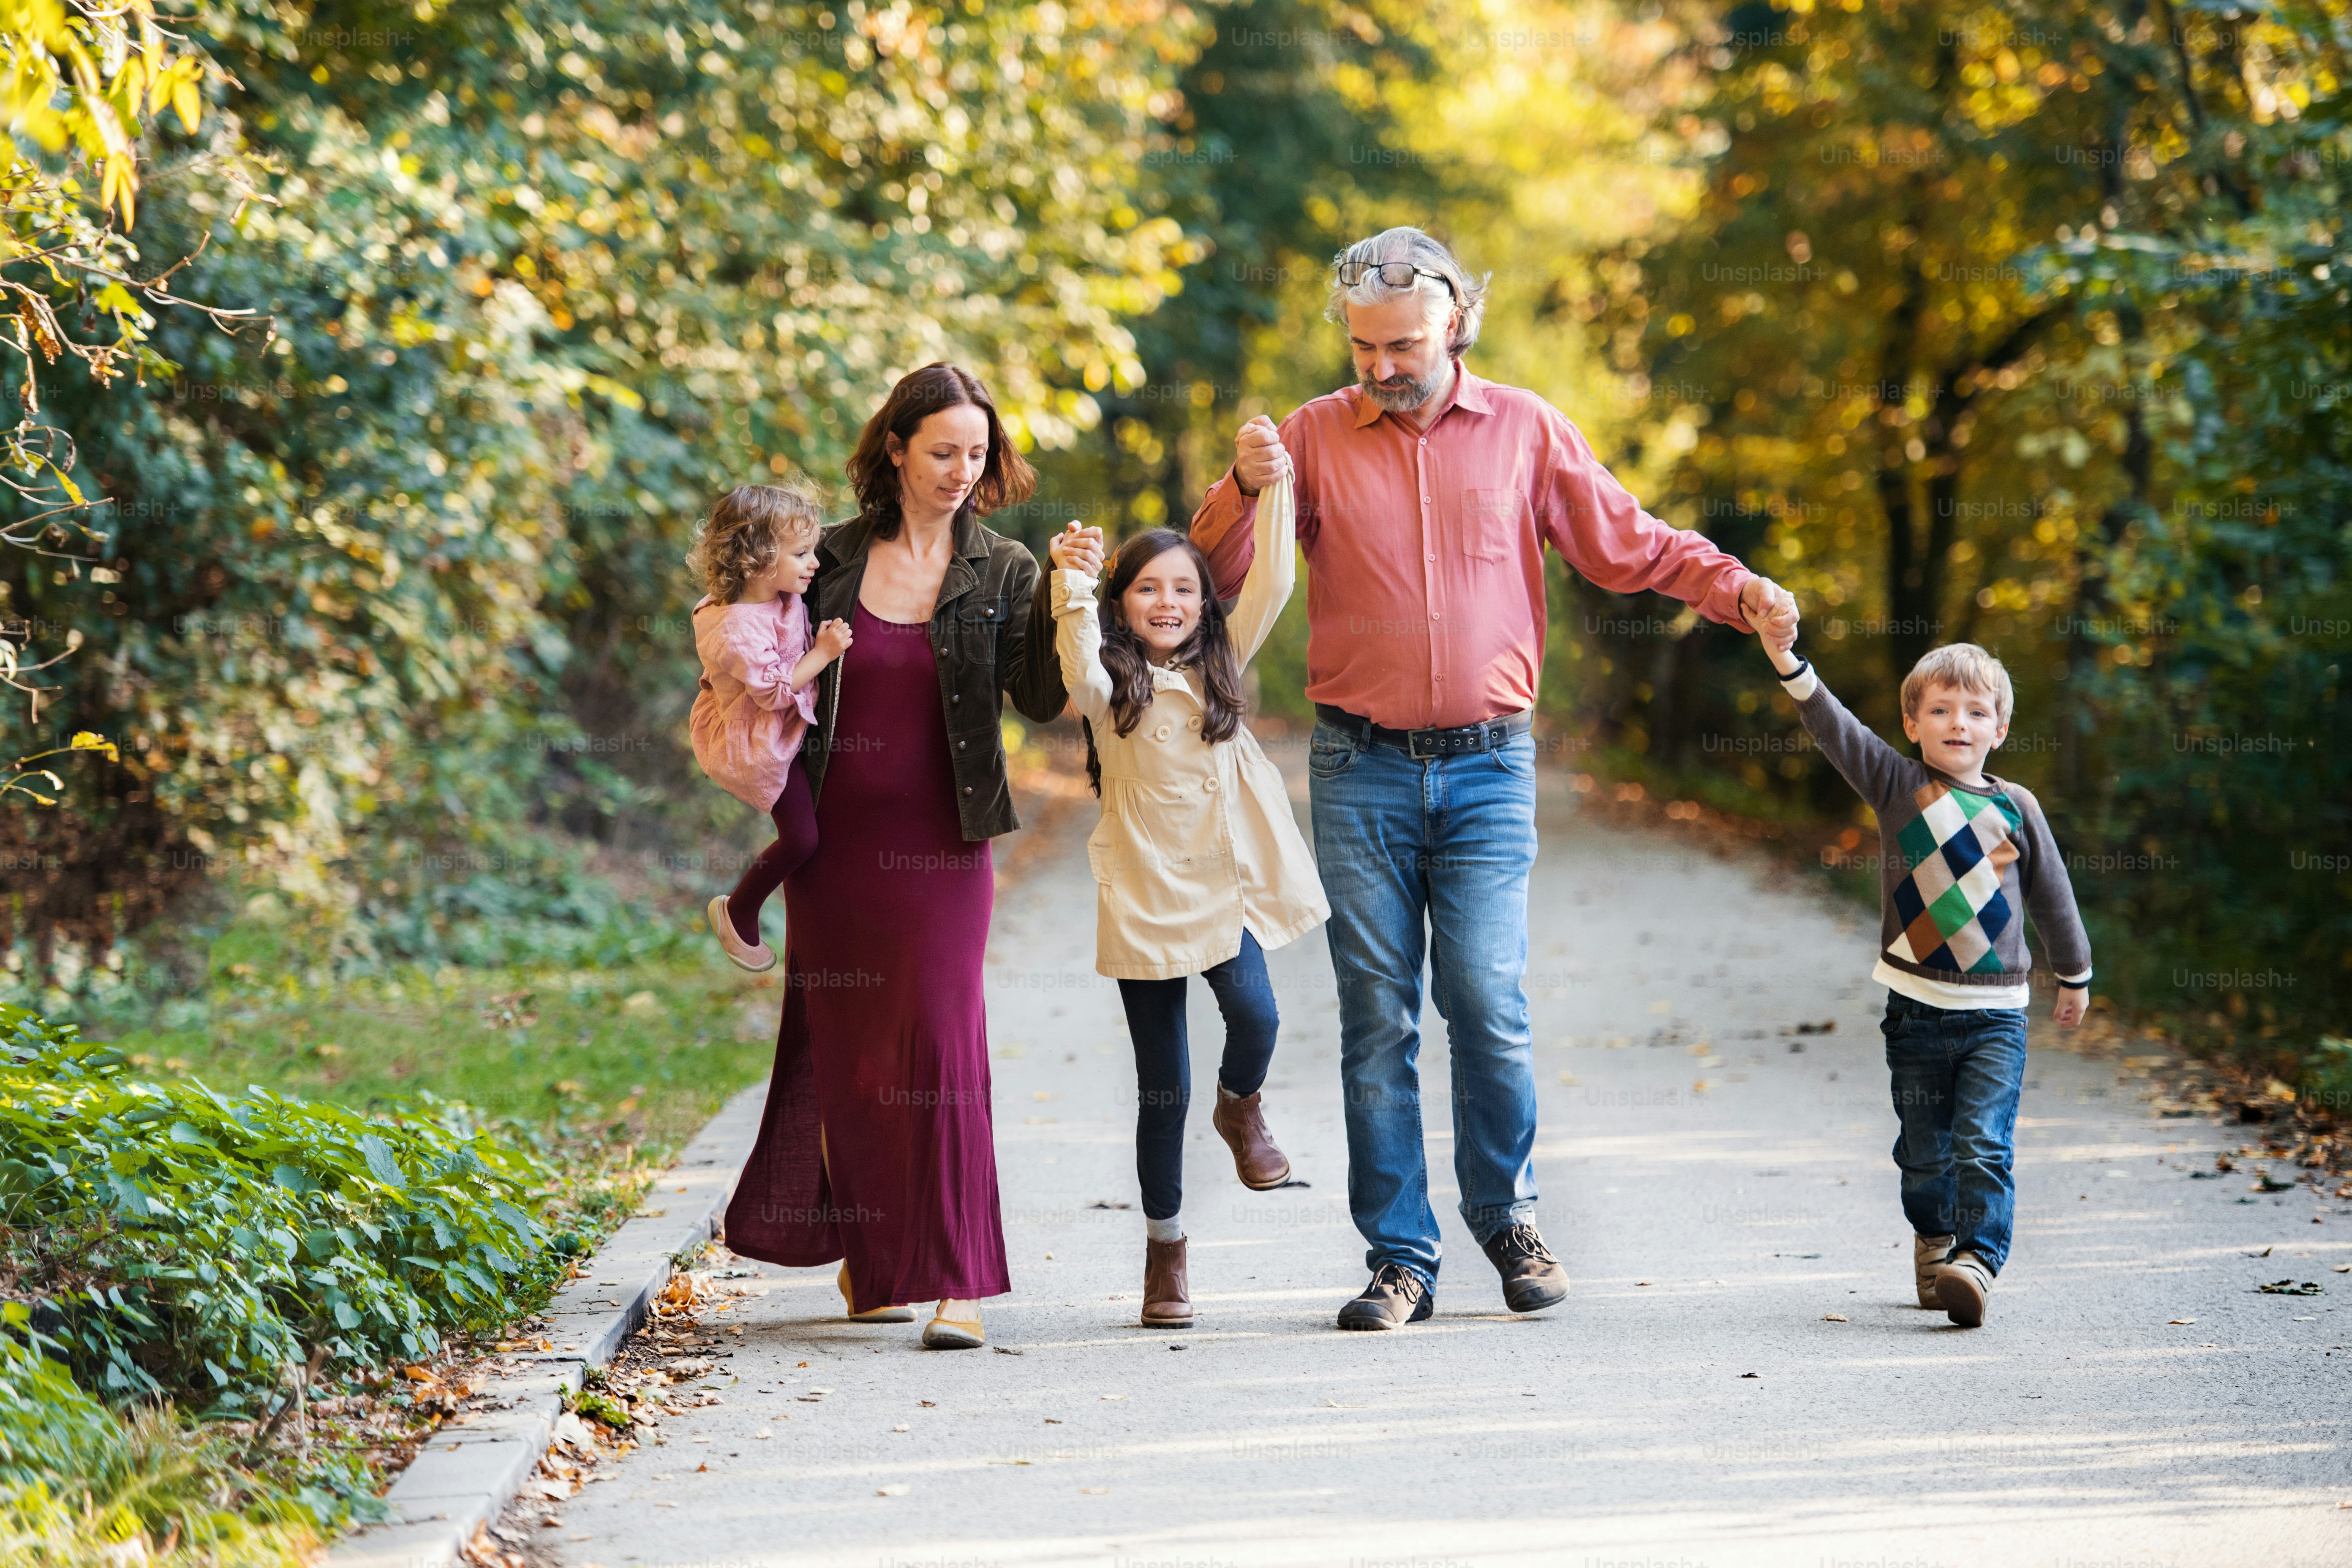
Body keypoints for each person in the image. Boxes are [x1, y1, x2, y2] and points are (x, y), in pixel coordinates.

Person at [1191, 226, 1800, 1330]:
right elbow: (1209, 576)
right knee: (1378, 1014)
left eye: (1404, 343)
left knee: (1486, 998)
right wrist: (1240, 488)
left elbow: (1630, 545)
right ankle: (1400, 1259)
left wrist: (1736, 589)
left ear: (1457, 321)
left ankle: (1507, 1217)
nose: (1381, 366)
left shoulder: (1526, 430)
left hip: (1486, 767)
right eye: (1365, 346)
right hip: (1357, 762)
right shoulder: (1310, 438)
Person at [721, 363, 1069, 1350]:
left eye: (977, 453)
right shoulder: (823, 557)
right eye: (943, 451)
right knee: (859, 1056)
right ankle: (876, 1266)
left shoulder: (1004, 570)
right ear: (896, 450)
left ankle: (958, 1277)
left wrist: (1071, 602)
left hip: (946, 843)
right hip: (832, 847)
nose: (962, 470)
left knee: (942, 1045)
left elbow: (1040, 699)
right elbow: (743, 640)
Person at [1045, 466, 1329, 1329]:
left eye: (1184, 589)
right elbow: (1075, 651)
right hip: (1141, 894)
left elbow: (1276, 578)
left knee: (1259, 1016)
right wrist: (1071, 579)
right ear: (1123, 601)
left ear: (1206, 603)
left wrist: (1275, 485)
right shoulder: (1110, 688)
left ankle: (1240, 1105)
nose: (1166, 601)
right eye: (1147, 588)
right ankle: (1166, 1247)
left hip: (1224, 889)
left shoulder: (1222, 667)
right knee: (1161, 1085)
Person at [1757, 629, 2092, 1326]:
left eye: (1974, 711)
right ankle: (1934, 1237)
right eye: (1939, 710)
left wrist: (2074, 974)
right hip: (1913, 1010)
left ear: (1999, 728)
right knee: (1923, 1153)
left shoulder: (2015, 808)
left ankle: (1974, 1259)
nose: (1956, 724)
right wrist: (1787, 659)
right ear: (1911, 725)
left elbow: (2051, 895)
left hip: (1996, 1014)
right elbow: (1831, 725)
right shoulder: (1896, 785)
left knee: (1982, 1142)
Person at [686, 479, 854, 972]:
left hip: (781, 728)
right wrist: (823, 654)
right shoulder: (738, 627)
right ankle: (738, 910)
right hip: (756, 742)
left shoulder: (780, 596)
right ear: (760, 560)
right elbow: (777, 691)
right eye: (802, 553)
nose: (815, 564)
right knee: (802, 838)